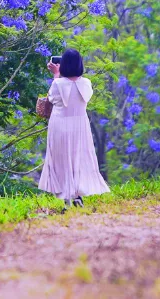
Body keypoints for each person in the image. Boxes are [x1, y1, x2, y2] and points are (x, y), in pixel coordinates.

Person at [38, 48, 110, 206]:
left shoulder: (58, 83)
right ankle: (77, 196)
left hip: (60, 125)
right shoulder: (86, 84)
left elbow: (51, 98)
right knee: (78, 159)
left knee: (61, 160)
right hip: (80, 127)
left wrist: (56, 75)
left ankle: (67, 199)